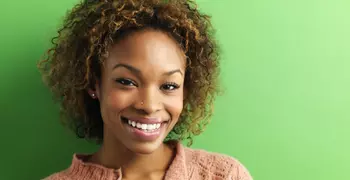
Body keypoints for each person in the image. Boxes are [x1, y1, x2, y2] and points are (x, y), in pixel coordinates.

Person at [38, 0, 252, 179]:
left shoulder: (224, 175)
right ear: (94, 84)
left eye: (169, 86)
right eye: (127, 82)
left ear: (185, 92)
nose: (149, 105)